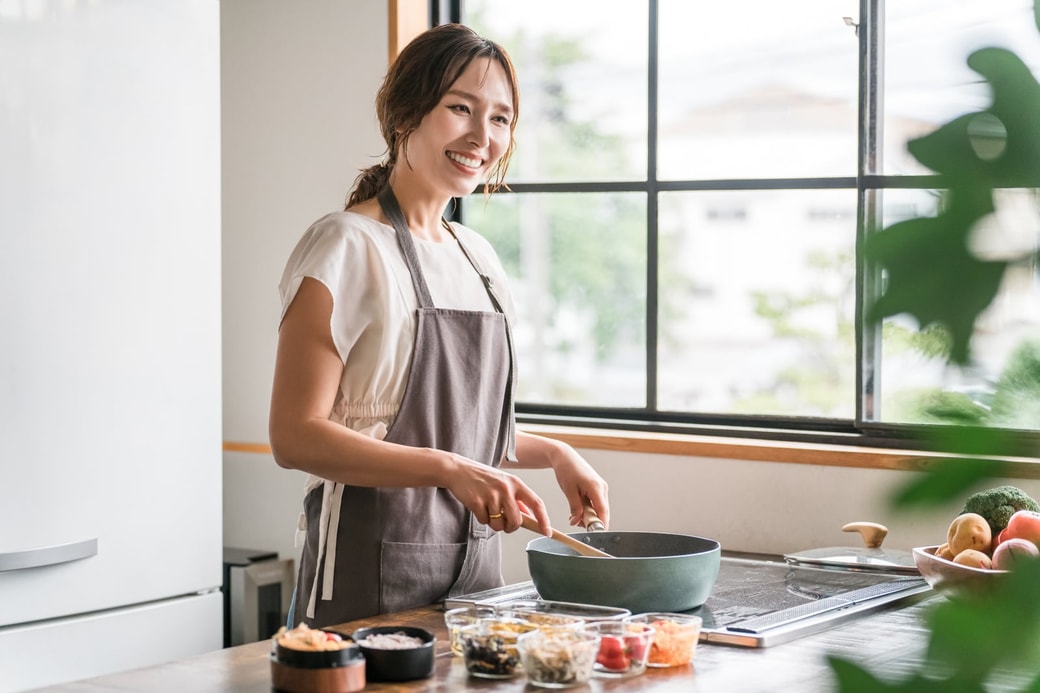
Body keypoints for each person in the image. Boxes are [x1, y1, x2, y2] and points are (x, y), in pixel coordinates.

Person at [268, 23, 611, 627]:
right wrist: (450, 470)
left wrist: (554, 452)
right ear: (407, 114)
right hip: (366, 580)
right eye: (461, 108)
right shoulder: (344, 245)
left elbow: (465, 432)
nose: (483, 136)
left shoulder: (478, 258)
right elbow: (295, 437)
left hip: (476, 581)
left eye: (501, 118)